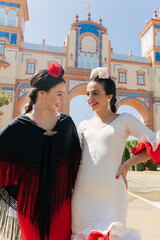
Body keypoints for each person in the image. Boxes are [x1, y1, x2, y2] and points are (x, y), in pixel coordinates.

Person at [71, 67, 160, 240]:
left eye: (96, 93)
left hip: (112, 197)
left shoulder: (125, 120)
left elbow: (154, 143)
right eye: (88, 94)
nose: (90, 99)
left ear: (109, 96)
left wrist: (127, 165)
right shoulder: (82, 125)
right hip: (82, 197)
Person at [0, 63, 81, 240]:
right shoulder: (18, 126)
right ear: (42, 94)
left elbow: (79, 166)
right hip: (29, 207)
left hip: (62, 205)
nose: (63, 99)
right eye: (59, 94)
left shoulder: (66, 124)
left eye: (64, 94)